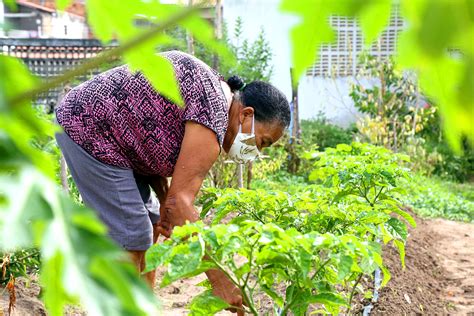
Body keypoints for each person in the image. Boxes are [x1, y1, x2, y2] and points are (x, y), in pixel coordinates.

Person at [55, 50, 290, 313]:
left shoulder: (214, 99)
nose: (258, 152)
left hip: (113, 136)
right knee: (131, 236)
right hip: (89, 127)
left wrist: (165, 197)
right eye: (263, 142)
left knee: (154, 223)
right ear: (247, 114)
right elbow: (182, 204)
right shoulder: (211, 116)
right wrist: (221, 280)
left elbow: (148, 129)